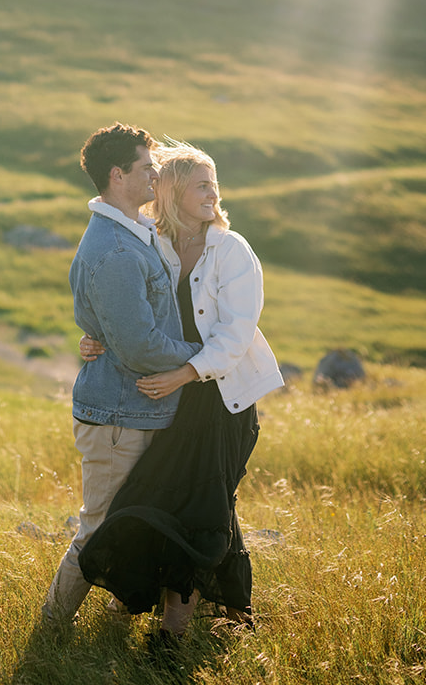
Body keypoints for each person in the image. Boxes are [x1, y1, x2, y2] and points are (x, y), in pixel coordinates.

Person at [76, 144, 283, 647]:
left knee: (200, 511)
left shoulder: (232, 250)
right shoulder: (155, 244)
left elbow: (234, 339)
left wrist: (183, 374)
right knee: (194, 506)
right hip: (173, 401)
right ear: (170, 193)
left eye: (215, 184)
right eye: (202, 185)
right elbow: (131, 312)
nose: (214, 194)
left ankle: (173, 635)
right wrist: (98, 336)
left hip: (222, 402)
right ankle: (233, 611)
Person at [40, 124, 203, 626]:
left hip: (139, 410)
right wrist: (206, 353)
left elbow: (108, 322)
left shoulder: (136, 232)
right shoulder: (115, 249)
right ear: (117, 175)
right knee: (97, 528)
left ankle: (115, 627)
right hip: (117, 415)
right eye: (147, 167)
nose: (157, 175)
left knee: (137, 525)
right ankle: (50, 628)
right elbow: (138, 345)